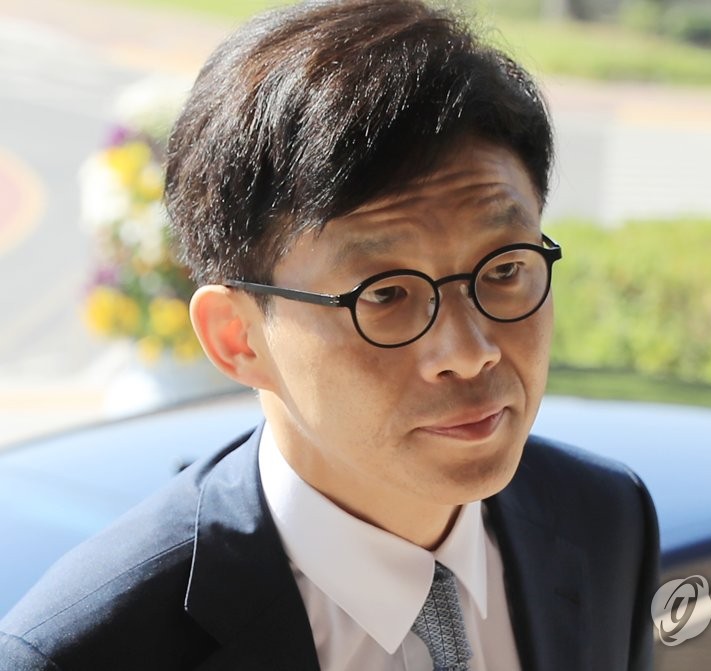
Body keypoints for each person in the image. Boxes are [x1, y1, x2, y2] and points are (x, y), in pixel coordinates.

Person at [0, 1, 659, 669]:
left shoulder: (606, 519)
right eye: (387, 295)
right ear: (237, 338)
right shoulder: (81, 654)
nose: (469, 351)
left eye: (506, 269)